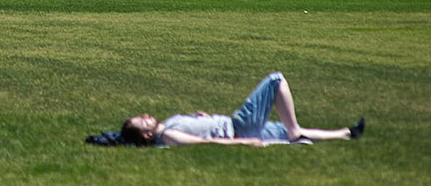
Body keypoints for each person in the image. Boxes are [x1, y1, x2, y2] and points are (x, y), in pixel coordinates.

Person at [121, 72, 363, 147]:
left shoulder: (167, 124)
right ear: (146, 135)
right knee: (275, 80)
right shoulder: (168, 135)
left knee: (286, 131)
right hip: (239, 128)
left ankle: (346, 133)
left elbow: (201, 130)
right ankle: (295, 132)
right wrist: (243, 143)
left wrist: (204, 119)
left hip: (236, 127)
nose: (145, 115)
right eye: (142, 121)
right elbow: (206, 144)